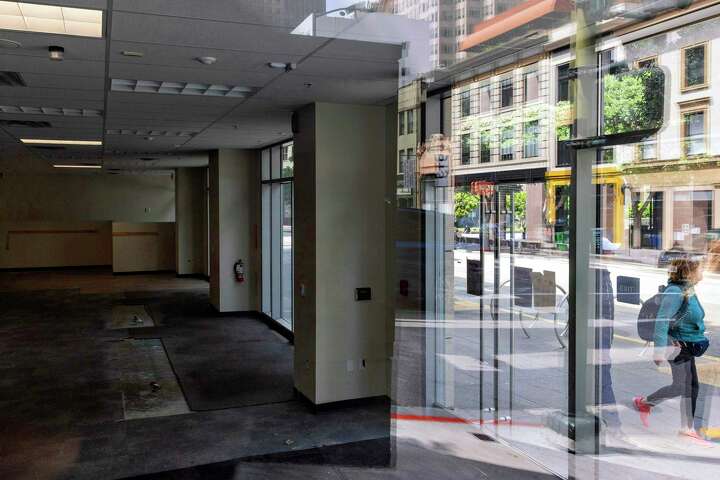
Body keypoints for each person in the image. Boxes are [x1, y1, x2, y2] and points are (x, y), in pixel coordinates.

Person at [633, 258, 710, 439]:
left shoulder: (687, 290)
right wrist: (660, 350)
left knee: (684, 385)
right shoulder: (675, 292)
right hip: (676, 346)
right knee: (687, 386)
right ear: (688, 272)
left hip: (685, 344)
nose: (702, 273)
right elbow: (661, 321)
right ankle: (687, 428)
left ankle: (645, 403)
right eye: (700, 270)